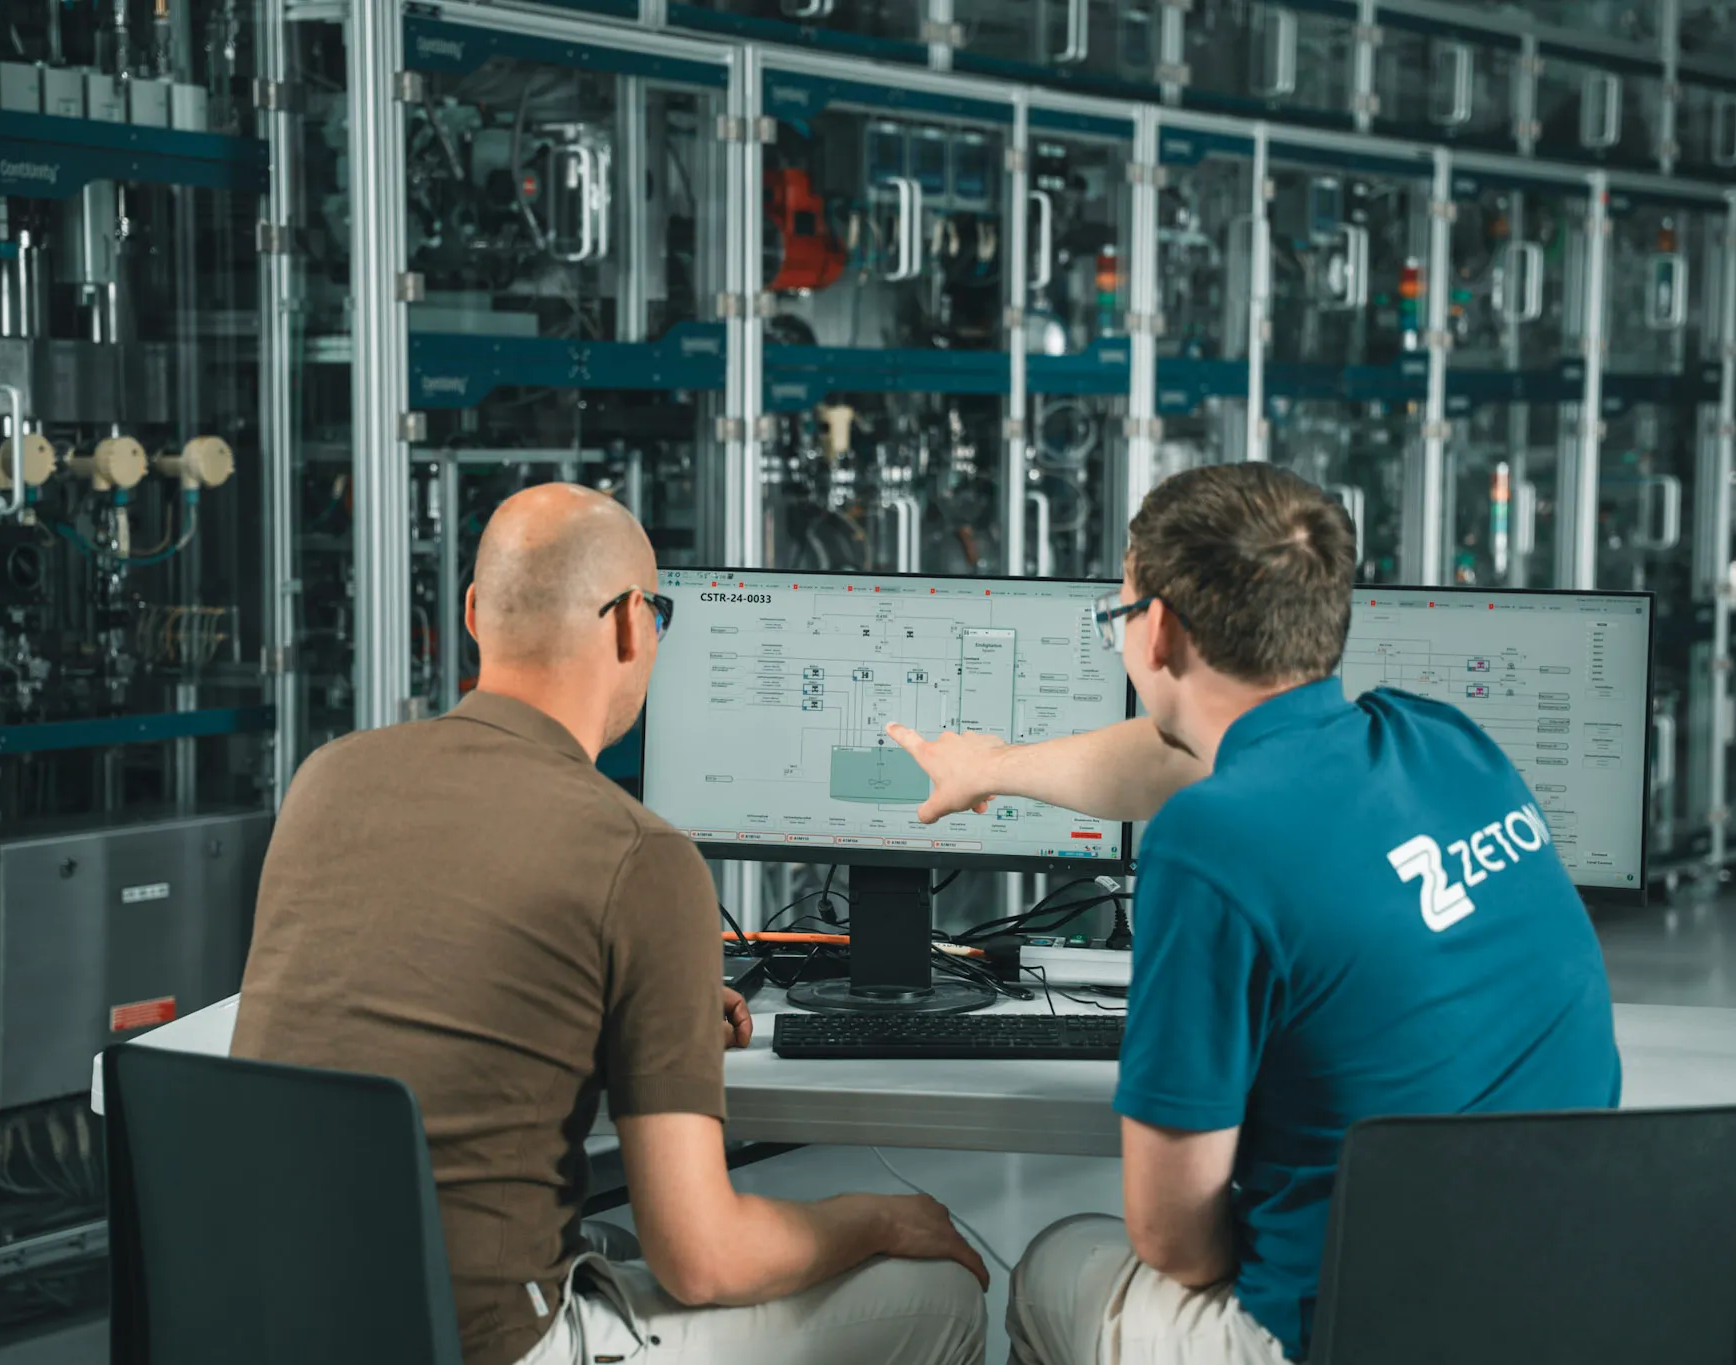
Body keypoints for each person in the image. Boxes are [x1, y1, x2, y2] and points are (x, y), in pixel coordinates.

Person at [234, 483, 987, 1365]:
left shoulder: (326, 780)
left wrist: (638, 1011)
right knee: (934, 1290)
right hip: (486, 1346)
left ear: (474, 614)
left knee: (614, 1252)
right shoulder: (637, 852)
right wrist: (874, 1216)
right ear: (634, 622)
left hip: (274, 1326)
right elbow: (703, 1257)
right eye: (659, 614)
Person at [886, 463, 1620, 1365]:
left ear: (1155, 629)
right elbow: (1183, 757)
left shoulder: (1206, 842)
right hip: (1559, 1313)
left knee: (1053, 1265)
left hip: (1341, 1334)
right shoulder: (1443, 740)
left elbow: (1172, 1241)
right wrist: (993, 764)